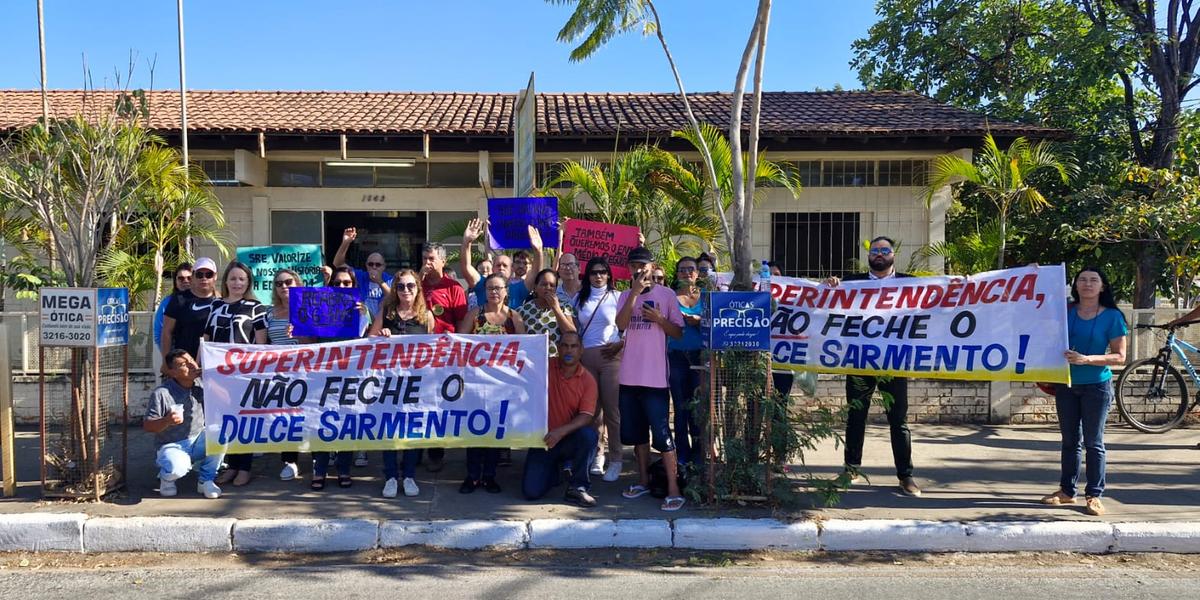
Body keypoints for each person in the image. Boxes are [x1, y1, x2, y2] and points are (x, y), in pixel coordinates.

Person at [824, 236, 921, 497]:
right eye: (875, 250)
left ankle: (906, 476)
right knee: (856, 416)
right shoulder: (851, 283)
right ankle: (851, 470)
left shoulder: (911, 283)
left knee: (898, 420)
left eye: (884, 250)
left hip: (893, 362)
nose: (879, 254)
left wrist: (964, 285)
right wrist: (829, 286)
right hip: (859, 360)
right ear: (869, 255)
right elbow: (824, 304)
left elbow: (944, 300)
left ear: (893, 254)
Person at [1041, 267, 1128, 517]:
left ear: (1102, 287)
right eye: (1082, 280)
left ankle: (1094, 495)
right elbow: (1040, 323)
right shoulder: (1065, 312)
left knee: (1094, 442)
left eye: (1093, 280)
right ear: (1075, 286)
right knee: (1070, 441)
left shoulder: (1112, 317)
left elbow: (1120, 356)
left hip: (1097, 386)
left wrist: (1086, 359)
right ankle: (1067, 491)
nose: (1087, 284)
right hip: (1066, 384)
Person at [615, 247, 686, 512]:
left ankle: (673, 489)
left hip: (655, 379)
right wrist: (634, 293)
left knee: (663, 435)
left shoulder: (666, 295)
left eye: (642, 265)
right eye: (633, 265)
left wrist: (659, 319)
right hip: (628, 377)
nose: (638, 270)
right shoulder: (624, 294)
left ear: (651, 265)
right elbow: (620, 325)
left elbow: (677, 332)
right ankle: (643, 481)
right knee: (637, 436)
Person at [454, 273, 528, 494]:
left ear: (506, 290)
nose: (494, 292)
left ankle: (489, 476)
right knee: (475, 429)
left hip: (503, 384)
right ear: (484, 291)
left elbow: (523, 348)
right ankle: (472, 475)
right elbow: (460, 343)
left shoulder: (515, 317)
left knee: (496, 431)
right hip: (476, 383)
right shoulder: (475, 315)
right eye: (490, 288)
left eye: (498, 288)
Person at [367, 269, 433, 499]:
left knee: (412, 430)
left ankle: (410, 475)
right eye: (401, 286)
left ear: (418, 289)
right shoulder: (386, 312)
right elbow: (368, 341)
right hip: (389, 383)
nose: (406, 290)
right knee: (389, 429)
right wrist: (381, 335)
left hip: (416, 383)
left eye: (411, 286)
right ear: (395, 289)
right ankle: (391, 476)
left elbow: (434, 349)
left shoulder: (426, 316)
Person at [204, 261, 269, 487]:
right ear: (226, 281)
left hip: (244, 374)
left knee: (244, 419)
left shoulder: (255, 307)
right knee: (225, 420)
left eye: (242, 279)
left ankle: (244, 467)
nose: (237, 283)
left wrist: (258, 371)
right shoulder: (215, 305)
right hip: (218, 374)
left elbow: (261, 343)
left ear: (248, 282)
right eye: (233, 278)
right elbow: (207, 338)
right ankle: (231, 465)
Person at [522, 331, 600, 506]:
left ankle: (578, 487)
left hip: (568, 439)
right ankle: (556, 471)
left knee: (589, 436)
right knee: (531, 492)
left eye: (573, 346)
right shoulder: (545, 368)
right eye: (564, 345)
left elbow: (587, 416)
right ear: (558, 348)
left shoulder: (588, 380)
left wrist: (560, 432)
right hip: (543, 441)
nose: (568, 350)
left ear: (581, 350)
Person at [310, 266, 370, 490]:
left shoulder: (362, 310)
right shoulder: (317, 307)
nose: (342, 287)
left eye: (347, 283)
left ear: (354, 286)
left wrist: (362, 315)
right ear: (331, 285)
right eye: (338, 283)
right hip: (322, 376)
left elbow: (365, 340)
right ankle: (320, 470)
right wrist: (294, 332)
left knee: (346, 423)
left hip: (349, 376)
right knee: (320, 422)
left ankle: (344, 469)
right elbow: (309, 342)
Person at [144, 349, 223, 499]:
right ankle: (166, 478)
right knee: (178, 468)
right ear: (173, 372)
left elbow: (226, 400)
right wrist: (167, 420)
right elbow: (148, 426)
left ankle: (206, 480)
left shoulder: (201, 384)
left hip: (198, 438)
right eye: (183, 364)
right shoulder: (162, 393)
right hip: (171, 445)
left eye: (191, 360)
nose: (192, 365)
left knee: (220, 434)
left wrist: (210, 380)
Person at [419, 241, 468, 472]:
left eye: (431, 259)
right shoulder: (413, 284)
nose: (427, 263)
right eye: (424, 258)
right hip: (417, 355)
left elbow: (460, 324)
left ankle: (436, 453)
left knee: (437, 404)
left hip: (443, 356)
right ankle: (414, 451)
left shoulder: (453, 288)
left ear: (443, 261)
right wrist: (418, 279)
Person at [574, 257, 624, 482]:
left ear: (609, 274)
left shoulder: (617, 297)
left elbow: (629, 325)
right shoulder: (579, 298)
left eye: (603, 271)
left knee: (612, 411)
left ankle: (616, 459)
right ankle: (598, 454)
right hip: (587, 357)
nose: (598, 276)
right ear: (588, 275)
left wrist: (622, 342)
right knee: (593, 412)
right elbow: (574, 328)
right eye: (594, 272)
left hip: (610, 356)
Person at [266, 268, 305, 481]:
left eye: (288, 282)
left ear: (297, 283)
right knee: (286, 417)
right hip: (279, 373)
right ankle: (290, 460)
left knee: (307, 415)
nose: (284, 286)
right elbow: (265, 344)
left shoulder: (308, 310)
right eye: (279, 283)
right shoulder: (269, 313)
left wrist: (300, 331)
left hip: (305, 371)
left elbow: (314, 342)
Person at [667, 256, 705, 469]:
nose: (686, 273)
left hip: (700, 356)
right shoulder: (669, 297)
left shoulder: (706, 297)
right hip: (677, 356)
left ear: (697, 273)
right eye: (682, 269)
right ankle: (682, 453)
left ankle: (699, 454)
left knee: (699, 408)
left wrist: (699, 322)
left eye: (691, 269)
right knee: (681, 406)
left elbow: (715, 327)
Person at [460, 219, 543, 309]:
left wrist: (538, 250)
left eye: (505, 265)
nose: (501, 268)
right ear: (492, 269)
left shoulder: (519, 289)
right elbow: (466, 267)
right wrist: (466, 242)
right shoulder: (482, 284)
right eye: (498, 265)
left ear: (512, 269)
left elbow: (535, 273)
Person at [161, 257, 220, 364]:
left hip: (213, 364)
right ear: (193, 276)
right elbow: (166, 332)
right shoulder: (179, 299)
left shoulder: (222, 302)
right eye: (199, 274)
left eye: (209, 275)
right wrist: (166, 362)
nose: (204, 278)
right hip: (183, 365)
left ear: (215, 277)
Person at [333, 226, 393, 319]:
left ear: (384, 267)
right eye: (370, 264)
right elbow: (338, 264)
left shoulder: (389, 280)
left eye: (378, 265)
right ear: (366, 265)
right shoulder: (360, 276)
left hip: (382, 324)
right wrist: (346, 242)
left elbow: (394, 298)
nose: (374, 267)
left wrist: (380, 282)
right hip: (362, 322)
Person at [516, 269, 578, 358]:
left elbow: (572, 334)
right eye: (544, 284)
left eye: (552, 285)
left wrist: (556, 309)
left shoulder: (564, 307)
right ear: (535, 287)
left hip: (556, 361)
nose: (548, 288)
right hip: (531, 361)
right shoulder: (523, 311)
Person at [154, 263, 192, 351]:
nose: (185, 281)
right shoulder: (167, 303)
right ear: (175, 281)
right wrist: (168, 357)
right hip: (176, 357)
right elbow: (158, 333)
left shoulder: (203, 301)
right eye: (181, 278)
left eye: (189, 278)